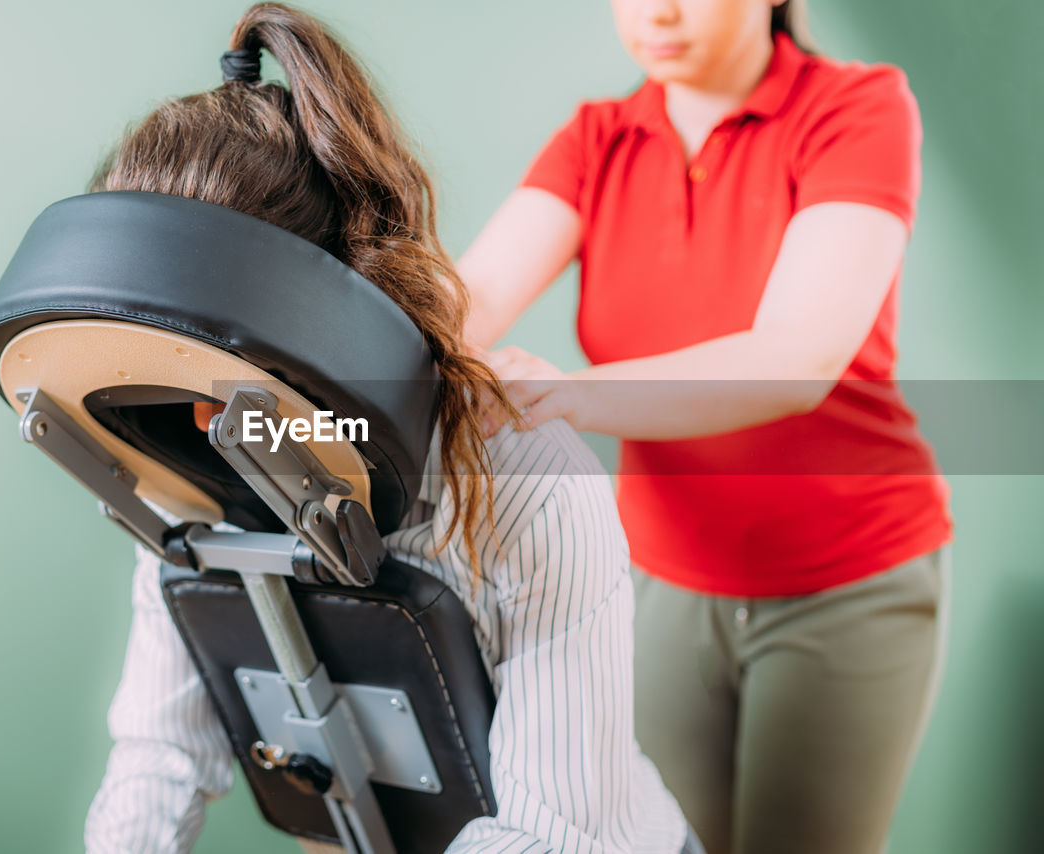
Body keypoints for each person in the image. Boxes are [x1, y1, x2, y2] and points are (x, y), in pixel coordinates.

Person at [82, 4, 696, 852]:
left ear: (326, 319)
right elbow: (157, 753)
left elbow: (548, 834)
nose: (203, 418)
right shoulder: (187, 469)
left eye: (223, 379)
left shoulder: (530, 485)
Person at [459, 1, 953, 852]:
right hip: (660, 584)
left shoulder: (858, 107)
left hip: (846, 581)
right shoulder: (596, 139)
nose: (659, 9)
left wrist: (569, 394)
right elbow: (466, 305)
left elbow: (799, 357)